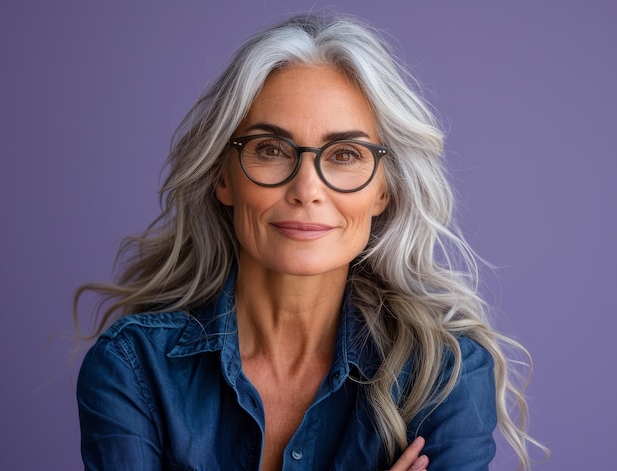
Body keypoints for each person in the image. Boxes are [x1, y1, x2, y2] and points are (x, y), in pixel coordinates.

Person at [75, 13, 546, 471]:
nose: (307, 189)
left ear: (383, 190)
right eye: (271, 150)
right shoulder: (133, 368)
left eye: (345, 154)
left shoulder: (445, 375)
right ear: (223, 177)